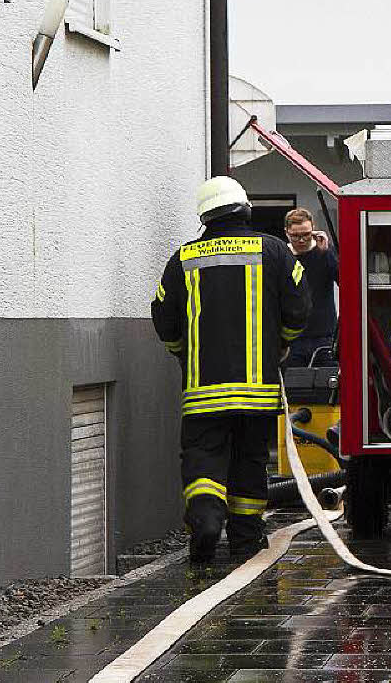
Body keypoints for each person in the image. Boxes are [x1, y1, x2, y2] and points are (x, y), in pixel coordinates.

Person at [152, 176, 311, 563]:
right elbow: (300, 307)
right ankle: (245, 540)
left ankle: (206, 522)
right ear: (245, 208)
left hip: (203, 392)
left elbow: (163, 317)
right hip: (257, 391)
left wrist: (183, 354)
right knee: (249, 461)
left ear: (205, 216)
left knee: (203, 459)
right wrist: (281, 344)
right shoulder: (274, 251)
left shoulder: (185, 258)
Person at [284, 208, 339, 367]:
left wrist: (327, 252)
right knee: (294, 388)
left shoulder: (325, 253)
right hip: (292, 338)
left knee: (328, 385)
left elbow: (345, 281)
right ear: (286, 232)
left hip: (324, 336)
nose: (301, 240)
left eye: (306, 234)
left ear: (313, 229)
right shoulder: (282, 256)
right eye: (295, 236)